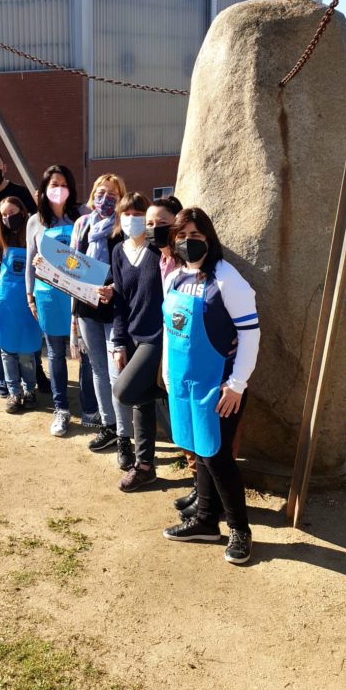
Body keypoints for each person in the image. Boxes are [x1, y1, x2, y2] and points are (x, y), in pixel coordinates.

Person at [161, 207, 260, 565]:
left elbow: (250, 334)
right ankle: (205, 520)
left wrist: (237, 384)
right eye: (181, 237)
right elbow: (170, 330)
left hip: (219, 386)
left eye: (196, 236)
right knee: (199, 449)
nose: (188, 243)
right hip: (184, 381)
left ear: (209, 238)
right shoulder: (175, 277)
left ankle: (240, 530)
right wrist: (167, 373)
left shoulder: (227, 278)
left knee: (218, 457)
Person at [70, 173, 135, 465]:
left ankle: (124, 437)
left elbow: (131, 270)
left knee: (116, 372)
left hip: (115, 310)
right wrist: (49, 267)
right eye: (100, 192)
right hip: (87, 309)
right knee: (97, 369)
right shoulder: (82, 224)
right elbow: (72, 265)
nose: (104, 198)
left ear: (121, 198)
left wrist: (114, 288)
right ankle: (108, 425)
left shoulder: (124, 226)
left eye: (112, 194)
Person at [0, 149, 50, 394]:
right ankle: (4, 383)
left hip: (27, 293)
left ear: (5, 166)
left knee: (29, 343)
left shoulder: (20, 193)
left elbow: (41, 219)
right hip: (3, 288)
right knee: (4, 344)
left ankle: (35, 378)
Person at [110, 192, 165, 491]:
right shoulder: (119, 251)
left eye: (138, 213)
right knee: (140, 399)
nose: (132, 219)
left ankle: (163, 395)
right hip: (130, 336)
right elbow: (119, 300)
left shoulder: (159, 250)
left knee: (124, 391)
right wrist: (119, 342)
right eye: (126, 214)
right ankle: (145, 466)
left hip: (156, 337)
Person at [145, 196, 196, 510]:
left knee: (194, 424)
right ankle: (199, 485)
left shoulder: (185, 262)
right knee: (183, 424)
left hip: (189, 354)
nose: (154, 229)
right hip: (170, 350)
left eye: (162, 223)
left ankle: (206, 491)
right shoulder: (161, 261)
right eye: (149, 224)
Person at [27, 164, 84, 437]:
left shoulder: (82, 215)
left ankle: (90, 408)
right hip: (47, 295)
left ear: (70, 188)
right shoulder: (35, 221)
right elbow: (30, 263)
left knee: (85, 353)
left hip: (78, 296)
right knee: (55, 353)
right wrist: (30, 296)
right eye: (53, 185)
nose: (58, 190)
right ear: (44, 190)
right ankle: (61, 409)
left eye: (63, 184)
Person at [0, 197, 42, 413]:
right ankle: (14, 393)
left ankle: (29, 390)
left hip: (27, 304)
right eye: (4, 215)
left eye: (12, 212)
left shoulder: (34, 236)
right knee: (7, 351)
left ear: (23, 212)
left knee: (27, 351)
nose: (8, 218)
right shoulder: (0, 239)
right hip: (4, 304)